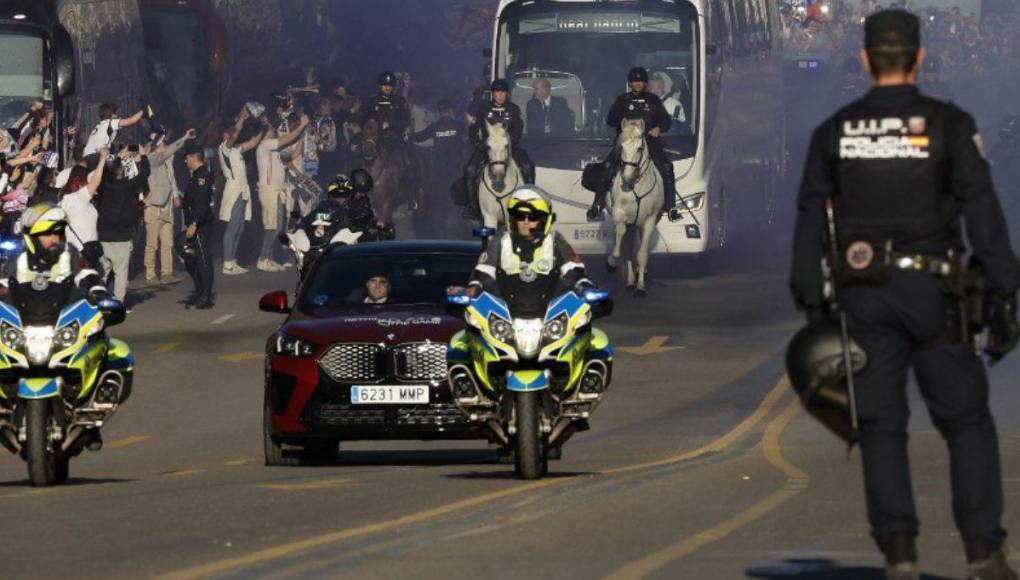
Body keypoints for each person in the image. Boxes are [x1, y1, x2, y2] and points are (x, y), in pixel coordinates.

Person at [790, 11, 1020, 580]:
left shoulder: (836, 131)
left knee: (882, 428)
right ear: (918, 57)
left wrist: (813, 307)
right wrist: (1006, 287)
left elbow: (809, 220)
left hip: (864, 296)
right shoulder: (948, 125)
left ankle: (899, 557)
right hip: (935, 292)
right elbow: (984, 215)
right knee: (965, 423)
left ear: (865, 59)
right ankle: (983, 554)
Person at [468, 187, 591, 316]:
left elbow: (575, 270)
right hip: (504, 315)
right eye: (520, 216)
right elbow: (483, 272)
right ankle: (471, 204)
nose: (526, 222)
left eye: (533, 217)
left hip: (551, 315)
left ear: (544, 219)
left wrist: (587, 287)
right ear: (513, 218)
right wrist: (473, 289)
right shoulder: (501, 240)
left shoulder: (555, 240)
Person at [587, 67, 676, 221]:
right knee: (608, 166)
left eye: (640, 81)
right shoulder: (623, 99)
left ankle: (671, 206)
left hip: (649, 143)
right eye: (635, 81)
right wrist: (620, 119)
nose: (638, 84)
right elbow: (610, 120)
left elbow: (666, 121)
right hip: (626, 144)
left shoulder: (653, 100)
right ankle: (597, 204)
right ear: (630, 83)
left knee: (667, 167)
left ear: (645, 83)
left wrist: (658, 128)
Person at [462, 79, 536, 220]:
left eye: (503, 92)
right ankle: (472, 206)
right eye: (497, 92)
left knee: (528, 166)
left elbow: (517, 130)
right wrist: (478, 144)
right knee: (470, 169)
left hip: (509, 147)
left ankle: (529, 200)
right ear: (493, 93)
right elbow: (473, 130)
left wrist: (507, 144)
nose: (500, 95)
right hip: (486, 147)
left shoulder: (513, 109)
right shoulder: (483, 109)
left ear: (506, 94)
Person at [255, 113, 310, 272]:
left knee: (278, 226)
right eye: (272, 130)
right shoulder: (265, 145)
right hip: (269, 191)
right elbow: (286, 140)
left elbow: (292, 156)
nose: (275, 131)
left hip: (277, 191)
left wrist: (301, 135)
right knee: (272, 226)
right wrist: (301, 126)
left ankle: (269, 258)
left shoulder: (275, 150)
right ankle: (262, 259)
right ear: (265, 135)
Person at [97, 144, 151, 303]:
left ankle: (97, 299)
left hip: (104, 235)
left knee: (102, 272)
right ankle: (118, 301)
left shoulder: (105, 186)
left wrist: (120, 156)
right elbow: (145, 173)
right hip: (122, 235)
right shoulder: (128, 186)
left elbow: (106, 173)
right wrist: (143, 156)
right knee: (121, 272)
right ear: (122, 172)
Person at [144, 128, 194, 285]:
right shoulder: (151, 158)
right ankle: (150, 275)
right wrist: (184, 137)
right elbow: (169, 150)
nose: (165, 145)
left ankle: (167, 273)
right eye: (162, 142)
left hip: (166, 206)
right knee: (152, 244)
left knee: (167, 243)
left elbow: (171, 177)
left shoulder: (166, 159)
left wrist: (174, 195)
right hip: (153, 207)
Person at [410, 100, 468, 235]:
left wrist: (407, 136)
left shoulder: (435, 126)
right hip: (455, 169)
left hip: (439, 171)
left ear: (439, 112)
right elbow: (469, 136)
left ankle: (439, 227)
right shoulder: (458, 125)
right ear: (451, 111)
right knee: (457, 199)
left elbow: (418, 137)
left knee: (440, 199)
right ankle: (460, 225)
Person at [218, 108, 264, 276]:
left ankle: (232, 261)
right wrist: (242, 118)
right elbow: (236, 134)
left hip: (243, 190)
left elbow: (253, 142)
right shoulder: (224, 148)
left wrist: (263, 127)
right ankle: (227, 263)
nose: (233, 136)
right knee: (232, 227)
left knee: (240, 228)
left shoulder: (236, 150)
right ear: (225, 135)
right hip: (234, 190)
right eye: (229, 134)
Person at [181, 144, 215, 309]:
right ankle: (200, 289)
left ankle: (205, 294)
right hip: (193, 223)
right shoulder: (195, 175)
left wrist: (195, 223)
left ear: (194, 157)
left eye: (187, 157)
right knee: (188, 254)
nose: (185, 160)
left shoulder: (203, 176)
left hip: (200, 224)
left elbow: (201, 204)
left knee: (203, 259)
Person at [82, 102, 148, 160]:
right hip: (97, 156)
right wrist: (144, 111)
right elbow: (131, 120)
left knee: (120, 155)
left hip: (87, 157)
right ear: (112, 115)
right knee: (128, 155)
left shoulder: (98, 126)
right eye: (116, 113)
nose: (118, 115)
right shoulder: (111, 123)